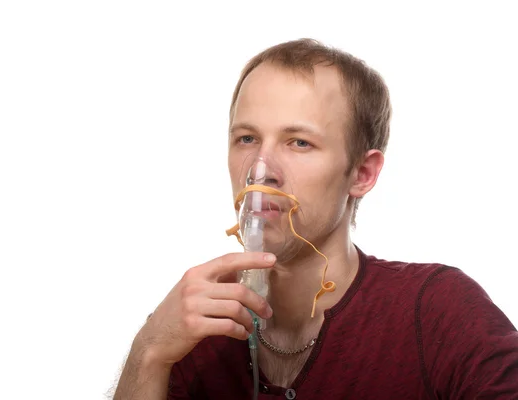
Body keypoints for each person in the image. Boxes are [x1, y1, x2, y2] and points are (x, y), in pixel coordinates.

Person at [113, 38, 518, 399]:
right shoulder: (196, 331)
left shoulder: (435, 312)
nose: (260, 170)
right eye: (247, 138)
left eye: (299, 142)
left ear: (362, 174)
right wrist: (148, 352)